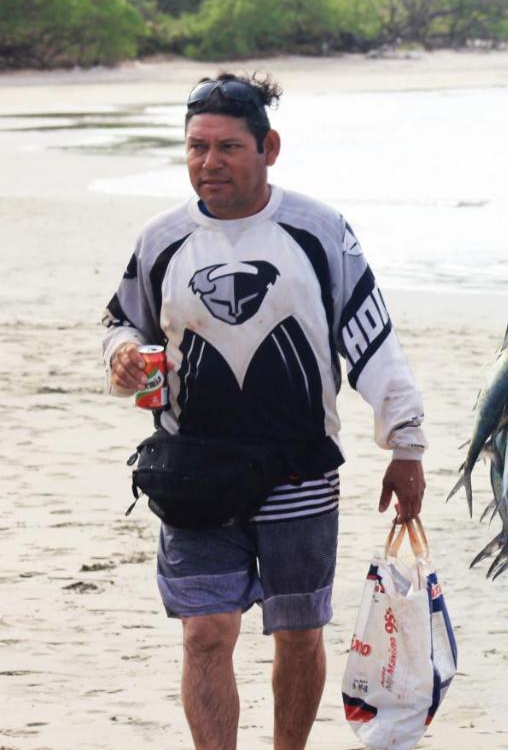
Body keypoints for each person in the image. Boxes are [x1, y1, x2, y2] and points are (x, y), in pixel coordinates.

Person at [102, 73, 427, 749]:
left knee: (298, 630)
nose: (209, 163)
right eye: (196, 147)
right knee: (205, 630)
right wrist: (123, 355)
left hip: (299, 469)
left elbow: (373, 342)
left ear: (268, 147)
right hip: (192, 470)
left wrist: (406, 444)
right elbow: (121, 323)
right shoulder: (162, 238)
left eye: (227, 147)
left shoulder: (318, 231)